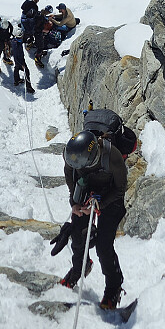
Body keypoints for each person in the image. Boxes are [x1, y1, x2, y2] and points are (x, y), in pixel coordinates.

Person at [60, 129, 127, 310]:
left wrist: (100, 205)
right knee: (78, 236)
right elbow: (70, 176)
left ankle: (114, 286)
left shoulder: (112, 157)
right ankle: (79, 268)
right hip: (86, 189)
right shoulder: (72, 156)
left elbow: (120, 189)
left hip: (111, 197)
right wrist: (75, 203)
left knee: (104, 246)